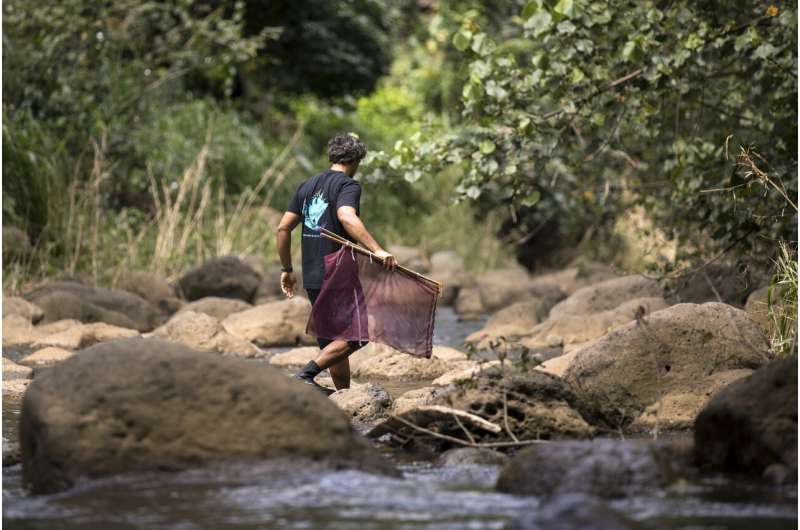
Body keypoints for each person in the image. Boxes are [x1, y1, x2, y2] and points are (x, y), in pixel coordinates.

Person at [276, 133, 396, 394]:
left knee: (332, 342)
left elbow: (283, 228)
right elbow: (345, 215)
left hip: (312, 273)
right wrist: (377, 250)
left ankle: (343, 396)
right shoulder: (347, 185)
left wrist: (287, 269)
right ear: (354, 160)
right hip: (337, 272)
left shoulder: (307, 186)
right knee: (357, 336)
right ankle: (304, 375)